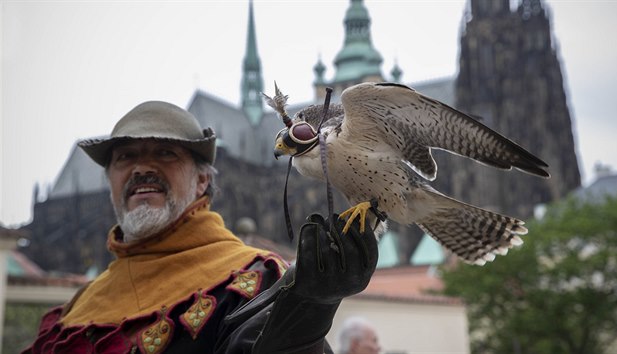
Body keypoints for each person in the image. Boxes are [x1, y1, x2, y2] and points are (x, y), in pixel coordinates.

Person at [24, 101, 378, 353]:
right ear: (110, 180)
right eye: (125, 157)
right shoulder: (75, 310)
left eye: (165, 154)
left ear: (202, 181)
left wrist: (307, 309)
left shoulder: (254, 278)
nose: (141, 168)